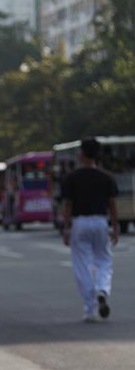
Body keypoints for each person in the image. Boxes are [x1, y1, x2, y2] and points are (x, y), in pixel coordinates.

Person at [60, 138, 120, 322]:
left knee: (82, 265)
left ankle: (90, 308)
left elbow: (68, 205)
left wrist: (66, 228)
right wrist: (115, 226)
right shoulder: (106, 177)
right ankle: (102, 289)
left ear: (81, 154)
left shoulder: (72, 178)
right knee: (104, 260)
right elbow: (112, 205)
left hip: (80, 222)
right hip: (101, 221)